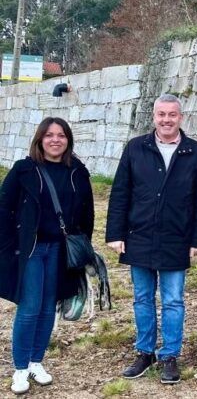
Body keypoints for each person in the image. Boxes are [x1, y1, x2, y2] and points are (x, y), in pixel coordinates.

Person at [106, 93, 197, 385]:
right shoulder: (135, 148)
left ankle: (169, 355)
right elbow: (120, 193)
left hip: (176, 237)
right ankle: (144, 352)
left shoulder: (196, 153)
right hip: (138, 235)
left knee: (174, 300)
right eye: (161, 114)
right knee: (142, 298)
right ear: (154, 116)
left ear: (181, 117)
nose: (166, 120)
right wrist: (115, 233)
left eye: (172, 115)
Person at [0, 117, 94, 394]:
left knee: (47, 309)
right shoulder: (24, 170)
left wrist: (83, 246)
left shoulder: (77, 170)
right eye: (50, 135)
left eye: (61, 135)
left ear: (68, 140)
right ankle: (19, 369)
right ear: (40, 139)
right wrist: (10, 246)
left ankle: (35, 361)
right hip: (30, 249)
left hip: (59, 250)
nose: (55, 140)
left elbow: (87, 211)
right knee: (29, 308)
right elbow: (4, 210)